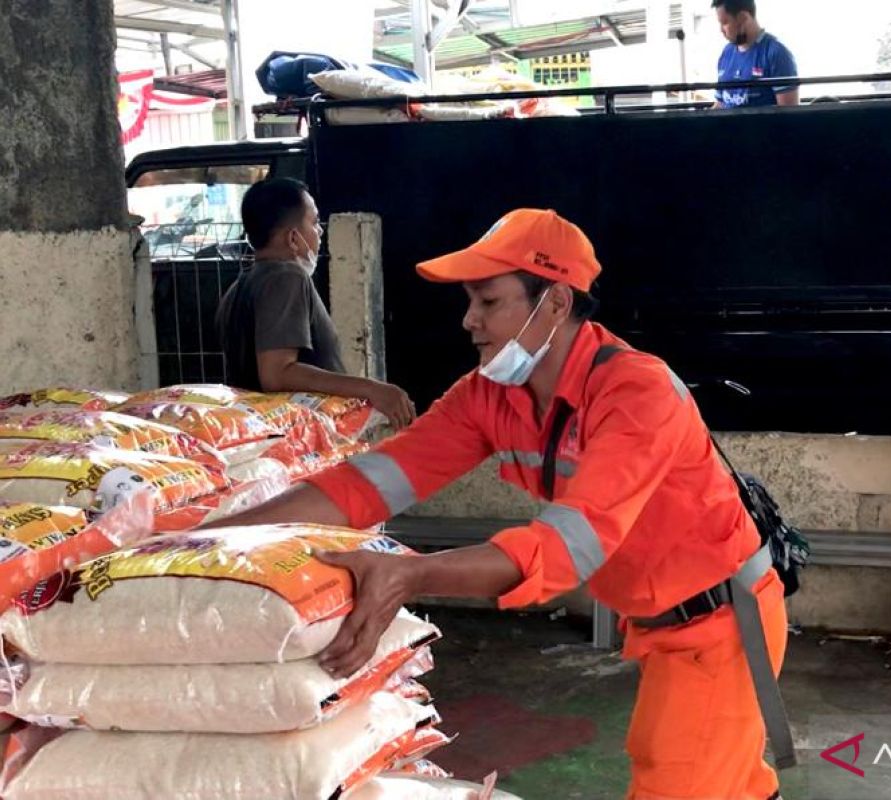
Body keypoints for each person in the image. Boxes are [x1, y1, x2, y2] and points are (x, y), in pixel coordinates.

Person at [206, 208, 790, 800]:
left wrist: (413, 574)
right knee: (730, 781)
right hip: (666, 618)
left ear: (557, 303)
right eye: (469, 302)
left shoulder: (636, 394)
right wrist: (211, 540)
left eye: (488, 302)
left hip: (717, 626)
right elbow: (375, 480)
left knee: (676, 782)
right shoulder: (491, 395)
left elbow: (567, 547)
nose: (469, 321)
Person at [215, 178, 415, 428]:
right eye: (313, 222)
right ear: (293, 239)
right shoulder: (287, 276)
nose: (319, 231)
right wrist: (371, 389)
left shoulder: (237, 289)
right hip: (293, 439)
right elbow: (276, 374)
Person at [712, 0, 799, 108]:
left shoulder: (776, 53)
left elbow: (789, 114)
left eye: (725, 23)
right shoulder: (727, 53)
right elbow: (721, 103)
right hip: (728, 125)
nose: (721, 30)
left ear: (743, 17)